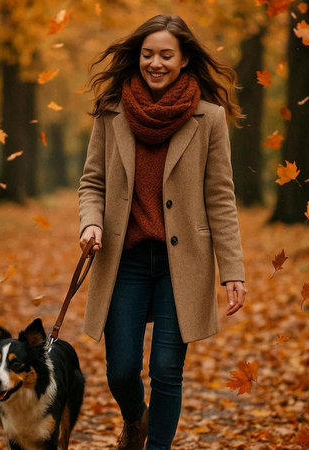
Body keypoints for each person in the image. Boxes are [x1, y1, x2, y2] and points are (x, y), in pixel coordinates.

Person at [78, 14, 247, 450]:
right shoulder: (111, 111)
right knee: (120, 369)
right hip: (125, 259)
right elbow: (92, 181)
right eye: (148, 54)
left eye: (166, 55)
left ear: (184, 59)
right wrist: (91, 221)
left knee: (168, 368)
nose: (155, 62)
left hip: (183, 262)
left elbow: (221, 198)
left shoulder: (209, 119)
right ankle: (136, 420)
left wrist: (233, 270)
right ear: (137, 57)